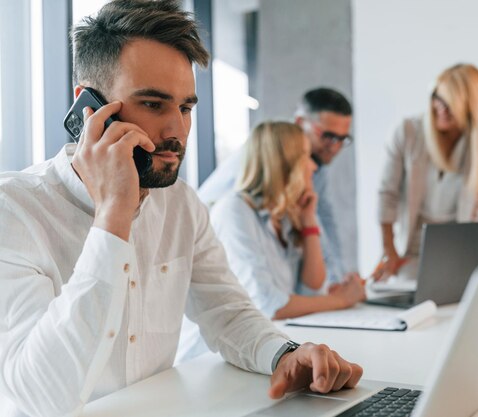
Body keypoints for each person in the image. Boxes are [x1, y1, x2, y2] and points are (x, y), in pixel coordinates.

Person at [0, 2, 362, 416]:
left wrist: (284, 354)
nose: (177, 131)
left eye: (185, 108)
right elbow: (40, 396)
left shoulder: (182, 206)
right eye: (153, 104)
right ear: (88, 106)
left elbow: (227, 313)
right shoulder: (13, 210)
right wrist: (113, 216)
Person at [212, 121, 365, 319]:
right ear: (283, 164)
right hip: (217, 348)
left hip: (272, 335)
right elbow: (267, 305)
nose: (312, 167)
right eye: (306, 157)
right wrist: (342, 300)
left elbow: (310, 291)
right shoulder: (234, 211)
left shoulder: (284, 215)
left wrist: (309, 223)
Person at [197, 87, 353, 280]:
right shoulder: (259, 163)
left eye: (342, 139)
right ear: (300, 123)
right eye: (328, 136)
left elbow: (324, 220)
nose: (334, 147)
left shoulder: (317, 163)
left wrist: (339, 276)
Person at [376, 63, 478, 281]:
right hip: (410, 252)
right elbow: (387, 194)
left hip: (458, 253)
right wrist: (390, 252)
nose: (440, 108)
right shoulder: (408, 132)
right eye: (437, 98)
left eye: (450, 103)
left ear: (470, 106)